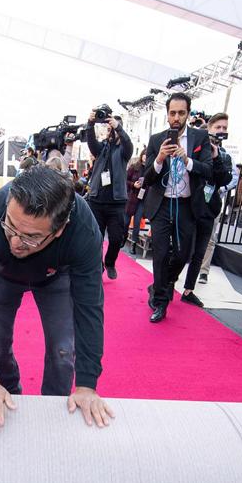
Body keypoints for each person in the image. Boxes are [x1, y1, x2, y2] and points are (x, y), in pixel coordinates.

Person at [0, 165, 111, 432]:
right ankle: (9, 397)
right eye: (11, 227)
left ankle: (52, 411)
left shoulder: (84, 231)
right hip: (3, 273)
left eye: (31, 237)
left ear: (60, 229)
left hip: (56, 276)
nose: (16, 242)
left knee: (63, 351)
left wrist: (87, 384)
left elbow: (89, 309)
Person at [141, 92, 214, 323]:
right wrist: (160, 158)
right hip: (161, 204)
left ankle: (159, 285)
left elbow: (209, 171)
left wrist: (187, 160)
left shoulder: (200, 138)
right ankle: (161, 302)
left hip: (186, 205)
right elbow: (148, 177)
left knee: (183, 254)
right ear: (167, 114)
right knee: (161, 254)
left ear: (188, 114)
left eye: (181, 113)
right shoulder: (156, 139)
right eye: (172, 113)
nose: (176, 117)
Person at [182, 113, 234, 306]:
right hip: (188, 206)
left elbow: (224, 180)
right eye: (217, 127)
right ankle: (167, 284)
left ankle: (188, 290)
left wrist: (216, 157)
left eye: (224, 128)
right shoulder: (194, 148)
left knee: (200, 251)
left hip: (209, 209)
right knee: (181, 250)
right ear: (209, 128)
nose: (221, 131)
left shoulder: (224, 155)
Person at [84, 110, 134, 280]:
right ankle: (98, 266)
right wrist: (90, 124)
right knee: (95, 238)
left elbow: (128, 144)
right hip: (97, 200)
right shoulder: (102, 148)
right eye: (109, 127)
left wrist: (118, 127)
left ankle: (110, 262)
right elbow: (91, 143)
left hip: (117, 203)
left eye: (113, 126)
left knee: (115, 238)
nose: (111, 130)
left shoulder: (124, 150)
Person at [124, 153, 145, 246]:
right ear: (141, 155)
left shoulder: (150, 168)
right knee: (126, 221)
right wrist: (133, 185)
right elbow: (125, 180)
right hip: (132, 197)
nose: (146, 157)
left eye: (148, 155)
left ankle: (134, 244)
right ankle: (123, 237)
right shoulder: (134, 167)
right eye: (145, 154)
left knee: (137, 222)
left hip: (142, 198)